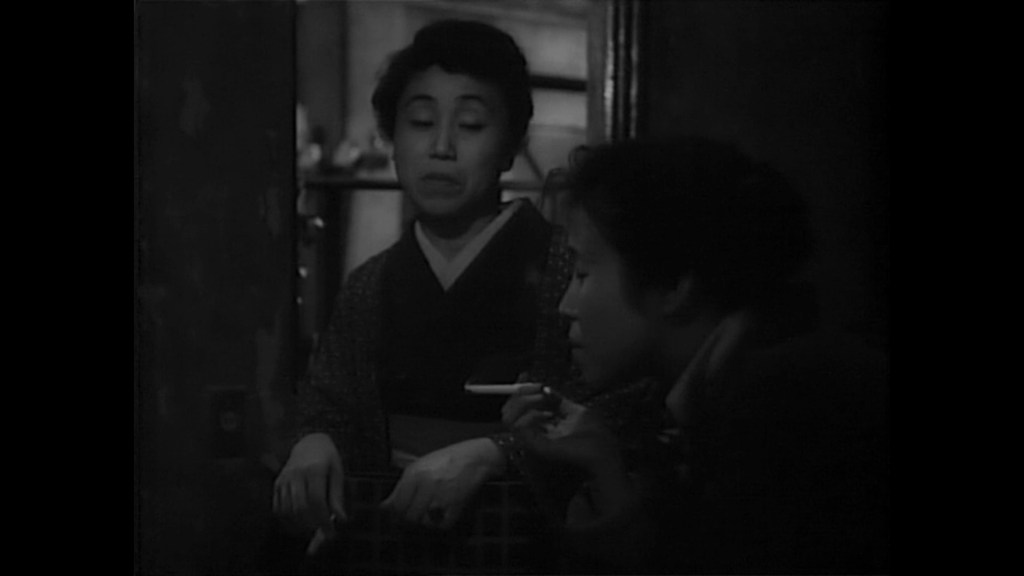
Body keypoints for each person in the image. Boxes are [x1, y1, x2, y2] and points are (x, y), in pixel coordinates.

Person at [503, 137, 889, 574]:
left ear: (673, 286)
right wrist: (602, 462)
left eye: (582, 272)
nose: (564, 306)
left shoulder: (795, 406)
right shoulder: (722, 392)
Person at [273, 19, 574, 555]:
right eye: (419, 121)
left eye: (471, 124)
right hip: (391, 539)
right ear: (393, 140)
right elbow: (330, 403)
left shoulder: (565, 270)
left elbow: (616, 411)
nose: (441, 146)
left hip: (523, 544)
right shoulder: (370, 284)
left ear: (512, 145)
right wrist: (315, 441)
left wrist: (497, 452)